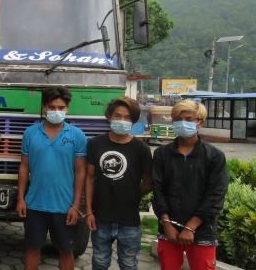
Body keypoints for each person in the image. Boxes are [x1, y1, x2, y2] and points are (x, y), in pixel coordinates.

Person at [152, 100, 228, 270]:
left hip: (202, 229)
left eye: (189, 119)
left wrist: (190, 227)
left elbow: (216, 195)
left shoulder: (214, 156)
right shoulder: (162, 154)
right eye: (178, 119)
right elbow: (158, 191)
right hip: (169, 229)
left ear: (200, 122)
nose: (183, 123)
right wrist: (166, 224)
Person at [16, 86, 87, 270]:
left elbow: (80, 172)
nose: (56, 111)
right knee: (32, 249)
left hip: (65, 207)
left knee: (66, 251)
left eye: (61, 107)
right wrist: (21, 199)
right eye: (52, 107)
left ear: (67, 108)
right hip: (34, 205)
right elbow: (24, 167)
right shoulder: (30, 133)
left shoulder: (77, 136)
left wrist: (76, 205)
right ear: (44, 108)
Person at [85, 97, 152, 269]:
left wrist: (133, 194)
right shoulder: (95, 143)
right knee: (99, 262)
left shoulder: (141, 149)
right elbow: (90, 178)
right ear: (109, 117)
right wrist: (89, 211)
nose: (122, 120)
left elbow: (148, 182)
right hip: (101, 218)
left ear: (133, 121)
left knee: (129, 264)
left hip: (129, 219)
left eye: (127, 117)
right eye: (117, 116)